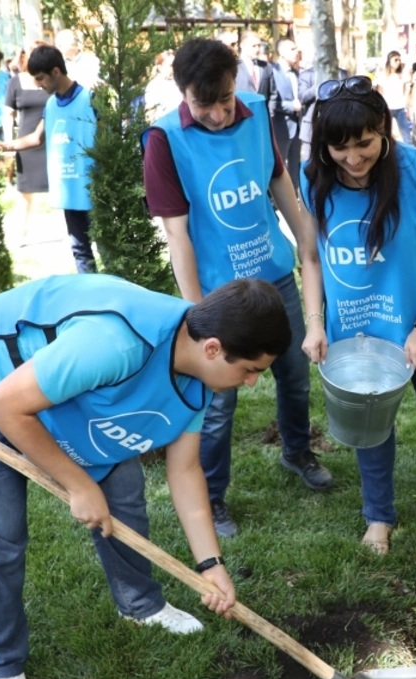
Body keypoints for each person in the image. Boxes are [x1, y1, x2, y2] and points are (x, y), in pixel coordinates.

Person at [0, 273, 288, 679]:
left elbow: (184, 470)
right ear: (214, 348)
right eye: (251, 370)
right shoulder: (117, 344)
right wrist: (79, 484)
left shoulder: (198, 369)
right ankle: (1, 663)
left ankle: (140, 604)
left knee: (122, 492)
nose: (253, 382)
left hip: (64, 387)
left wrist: (210, 565)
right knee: (0, 536)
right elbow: (4, 406)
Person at [142, 38, 333, 538]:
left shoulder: (253, 108)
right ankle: (213, 495)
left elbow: (278, 182)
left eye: (225, 99)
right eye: (204, 105)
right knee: (218, 403)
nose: (219, 114)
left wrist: (308, 245)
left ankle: (297, 452)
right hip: (218, 296)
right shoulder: (164, 140)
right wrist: (194, 311)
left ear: (236, 83)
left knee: (294, 375)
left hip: (274, 276)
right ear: (182, 93)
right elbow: (177, 235)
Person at [299, 76, 416, 556]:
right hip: (357, 337)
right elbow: (310, 258)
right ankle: (379, 517)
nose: (352, 159)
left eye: (364, 143)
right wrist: (314, 321)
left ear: (384, 131)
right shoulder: (315, 183)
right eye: (339, 148)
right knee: (370, 433)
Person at [0, 45, 97, 274]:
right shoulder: (51, 105)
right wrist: (6, 145)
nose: (39, 85)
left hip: (93, 188)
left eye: (41, 78)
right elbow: (36, 138)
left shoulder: (91, 99)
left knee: (108, 247)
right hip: (70, 191)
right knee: (80, 250)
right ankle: (92, 297)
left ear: (56, 71)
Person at [4, 46, 50, 244]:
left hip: (51, 140)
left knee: (60, 186)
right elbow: (8, 114)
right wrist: (10, 145)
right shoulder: (15, 82)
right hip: (25, 142)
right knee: (25, 192)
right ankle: (20, 233)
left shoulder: (48, 81)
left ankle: (71, 231)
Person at [270, 38, 304, 189]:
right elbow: (271, 101)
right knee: (280, 166)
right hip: (281, 127)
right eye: (292, 49)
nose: (296, 52)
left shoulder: (296, 73)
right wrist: (291, 106)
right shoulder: (272, 72)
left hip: (298, 127)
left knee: (296, 163)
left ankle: (296, 194)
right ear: (282, 53)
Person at [376, 51, 411, 143]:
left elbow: (407, 90)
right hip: (387, 108)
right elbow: (380, 91)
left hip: (400, 107)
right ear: (389, 60)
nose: (398, 62)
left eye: (399, 60)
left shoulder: (403, 74)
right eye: (395, 60)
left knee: (406, 135)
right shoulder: (383, 74)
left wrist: (407, 106)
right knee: (386, 133)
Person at [144, 50, 181, 124]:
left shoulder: (179, 82)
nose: (174, 69)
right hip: (164, 127)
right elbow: (150, 114)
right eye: (170, 66)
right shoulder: (153, 87)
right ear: (160, 67)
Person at [236, 31, 273, 101]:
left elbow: (272, 94)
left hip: (262, 110)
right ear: (242, 45)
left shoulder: (266, 66)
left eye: (259, 45)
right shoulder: (234, 67)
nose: (257, 49)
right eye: (254, 46)